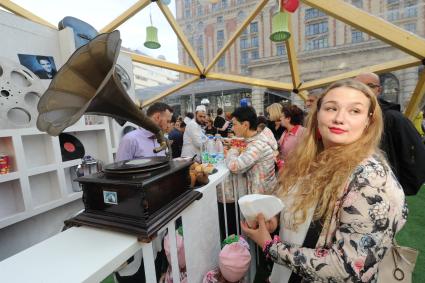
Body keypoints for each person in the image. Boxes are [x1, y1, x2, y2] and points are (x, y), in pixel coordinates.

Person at [241, 79, 407, 283]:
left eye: (354, 111)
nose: (339, 118)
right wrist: (276, 221)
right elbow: (305, 214)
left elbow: (347, 268)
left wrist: (269, 246)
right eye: (331, 108)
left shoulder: (371, 177)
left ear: (369, 121)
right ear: (317, 114)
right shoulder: (311, 158)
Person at [355, 72, 425, 195]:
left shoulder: (394, 118)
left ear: (379, 90)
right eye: (357, 86)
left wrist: (402, 188)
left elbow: (416, 154)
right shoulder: (349, 118)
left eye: (370, 85)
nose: (364, 89)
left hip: (385, 190)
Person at [225, 106, 278, 195]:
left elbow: (234, 166)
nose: (232, 128)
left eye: (234, 124)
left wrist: (233, 150)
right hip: (264, 192)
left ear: (245, 125)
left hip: (262, 199)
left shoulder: (257, 145)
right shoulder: (259, 137)